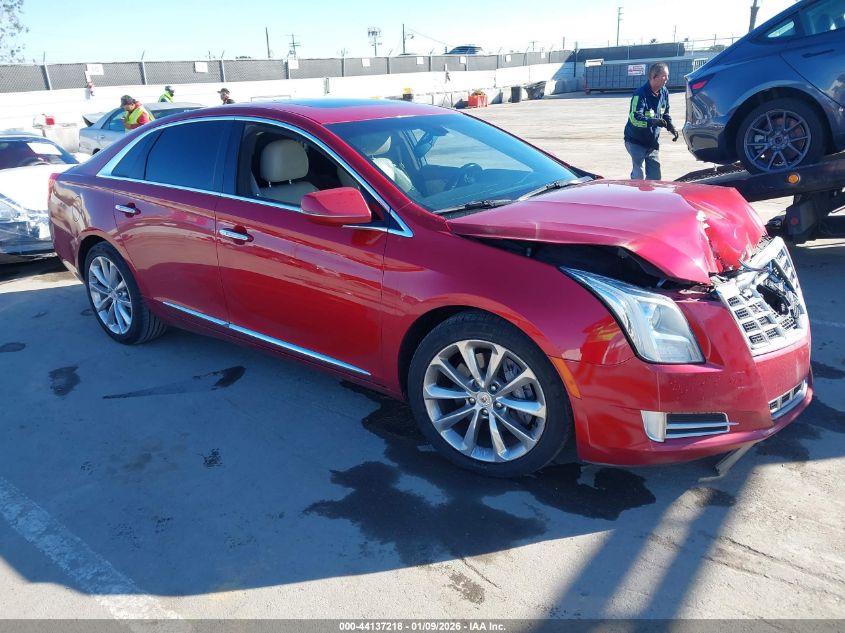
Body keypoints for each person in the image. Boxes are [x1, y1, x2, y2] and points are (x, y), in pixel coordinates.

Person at [623, 62, 679, 180]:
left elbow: (665, 113)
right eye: (665, 76)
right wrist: (652, 122)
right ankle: (636, 196)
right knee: (639, 175)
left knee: (655, 177)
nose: (667, 79)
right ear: (654, 76)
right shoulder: (640, 94)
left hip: (652, 143)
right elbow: (634, 118)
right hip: (635, 141)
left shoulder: (664, 92)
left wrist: (670, 126)